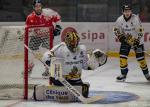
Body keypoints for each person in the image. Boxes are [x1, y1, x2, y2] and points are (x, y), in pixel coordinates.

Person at [41, 27, 107, 98]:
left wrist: (96, 63)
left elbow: (85, 66)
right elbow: (46, 55)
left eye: (76, 43)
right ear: (66, 42)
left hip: (76, 80)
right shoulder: (60, 48)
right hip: (60, 80)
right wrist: (48, 61)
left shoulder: (82, 49)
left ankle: (72, 89)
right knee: (56, 62)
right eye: (72, 43)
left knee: (83, 91)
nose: (74, 46)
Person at [113, 4, 150, 82]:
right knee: (122, 57)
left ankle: (147, 75)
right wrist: (120, 37)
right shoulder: (119, 20)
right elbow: (115, 30)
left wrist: (137, 40)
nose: (127, 13)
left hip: (138, 41)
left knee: (141, 59)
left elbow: (140, 30)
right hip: (126, 41)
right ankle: (123, 75)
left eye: (129, 11)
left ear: (131, 11)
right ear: (122, 12)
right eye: (126, 11)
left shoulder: (135, 19)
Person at [25, 0, 62, 77]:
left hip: (47, 36)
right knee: (30, 52)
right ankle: (29, 67)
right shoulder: (30, 17)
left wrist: (58, 28)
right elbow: (27, 29)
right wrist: (24, 35)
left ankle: (48, 69)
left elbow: (58, 17)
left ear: (41, 6)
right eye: (36, 6)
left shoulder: (49, 12)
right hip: (35, 36)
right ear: (33, 7)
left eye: (39, 6)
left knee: (47, 53)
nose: (38, 8)